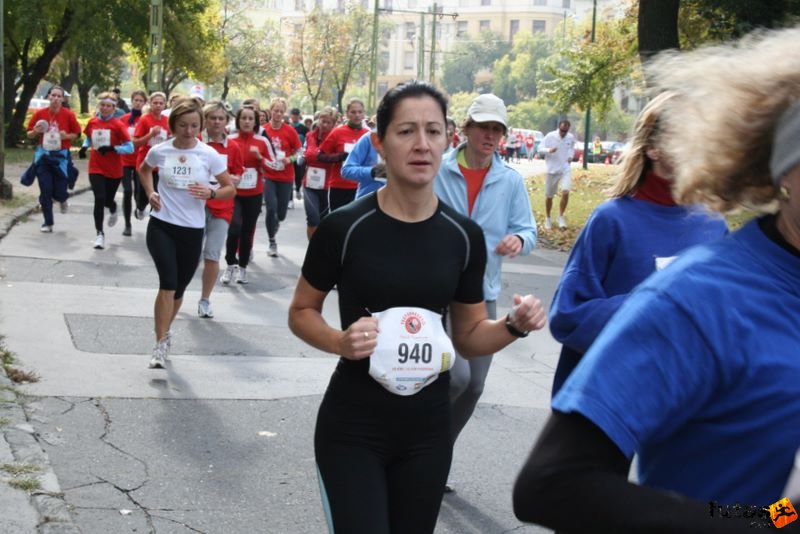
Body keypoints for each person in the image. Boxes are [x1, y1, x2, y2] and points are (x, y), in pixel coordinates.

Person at [513, 28, 800, 532]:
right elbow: (552, 484)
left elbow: (787, 514)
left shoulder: (707, 228)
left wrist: (779, 519)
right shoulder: (698, 298)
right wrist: (757, 523)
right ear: (786, 172)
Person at [288, 80, 546, 534]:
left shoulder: (462, 236)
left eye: (433, 131)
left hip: (428, 433)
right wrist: (338, 340)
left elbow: (468, 335)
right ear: (379, 143)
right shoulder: (344, 228)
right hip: (353, 428)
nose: (422, 144)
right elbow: (301, 310)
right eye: (406, 131)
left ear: (448, 138)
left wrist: (513, 325)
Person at [548, 92, 728, 396]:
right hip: (606, 398)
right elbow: (568, 316)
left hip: (680, 404)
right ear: (653, 149)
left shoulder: (712, 226)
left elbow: (725, 321)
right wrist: (647, 306)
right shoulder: (611, 220)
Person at [434, 93, 538, 492]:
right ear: (467, 129)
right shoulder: (441, 169)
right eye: (483, 127)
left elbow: (529, 230)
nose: (490, 135)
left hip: (481, 292)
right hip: (435, 289)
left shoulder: (509, 179)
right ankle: (423, 450)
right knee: (457, 377)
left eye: (497, 129)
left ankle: (437, 452)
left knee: (474, 385)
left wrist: (517, 240)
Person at [139, 99, 236, 368]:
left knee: (179, 287)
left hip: (192, 230)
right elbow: (144, 169)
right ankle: (159, 344)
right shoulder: (161, 150)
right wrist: (151, 192)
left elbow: (230, 188)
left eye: (194, 125)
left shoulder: (208, 155)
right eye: (183, 125)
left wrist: (212, 192)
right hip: (162, 224)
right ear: (173, 125)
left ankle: (165, 332)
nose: (189, 131)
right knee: (168, 282)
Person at [197, 101, 243, 319]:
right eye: (212, 118)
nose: (216, 122)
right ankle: (176, 291)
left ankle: (205, 299)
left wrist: (235, 179)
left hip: (222, 207)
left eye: (221, 118)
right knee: (191, 255)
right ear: (205, 120)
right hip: (194, 206)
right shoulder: (195, 142)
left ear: (227, 121)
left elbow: (238, 175)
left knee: (212, 255)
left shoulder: (233, 147)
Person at [223, 106, 273, 284]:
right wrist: (230, 175)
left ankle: (242, 267)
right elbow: (219, 163)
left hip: (254, 192)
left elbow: (276, 166)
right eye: (243, 118)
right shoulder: (229, 140)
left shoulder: (262, 141)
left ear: (255, 122)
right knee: (234, 227)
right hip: (233, 191)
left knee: (247, 231)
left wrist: (260, 158)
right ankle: (230, 264)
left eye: (250, 119)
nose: (246, 121)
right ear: (238, 120)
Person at [79, 91, 135, 249]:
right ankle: (99, 234)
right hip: (96, 166)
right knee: (99, 198)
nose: (104, 108)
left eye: (108, 106)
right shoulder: (93, 122)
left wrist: (112, 148)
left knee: (107, 199)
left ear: (113, 108)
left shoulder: (118, 125)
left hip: (114, 169)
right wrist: (84, 147)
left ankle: (113, 207)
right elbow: (88, 137)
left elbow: (130, 147)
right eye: (102, 105)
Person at [26, 85, 82, 232]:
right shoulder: (40, 114)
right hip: (43, 156)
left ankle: (62, 198)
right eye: (53, 95)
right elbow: (29, 134)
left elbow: (77, 133)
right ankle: (48, 223)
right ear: (48, 97)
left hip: (61, 156)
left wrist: (66, 136)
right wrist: (35, 132)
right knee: (45, 189)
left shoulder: (68, 115)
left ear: (63, 99)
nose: (56, 98)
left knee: (59, 190)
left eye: (59, 96)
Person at [261, 97, 302, 258]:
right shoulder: (263, 130)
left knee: (282, 213)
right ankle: (272, 241)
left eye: (281, 111)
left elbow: (299, 151)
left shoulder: (289, 131)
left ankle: (276, 223)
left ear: (284, 113)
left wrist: (289, 159)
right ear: (270, 111)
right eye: (275, 110)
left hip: (285, 176)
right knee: (271, 208)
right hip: (268, 175)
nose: (278, 114)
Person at [318, 98, 369, 211]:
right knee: (338, 224)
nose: (357, 115)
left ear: (364, 114)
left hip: (361, 186)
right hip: (339, 185)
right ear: (347, 114)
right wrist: (340, 156)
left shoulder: (368, 135)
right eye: (353, 112)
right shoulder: (337, 132)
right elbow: (321, 156)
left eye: (360, 112)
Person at [302, 106, 338, 240]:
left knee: (324, 221)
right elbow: (307, 155)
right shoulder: (310, 135)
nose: (324, 125)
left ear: (334, 124)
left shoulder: (335, 138)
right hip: (309, 182)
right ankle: (312, 249)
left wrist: (320, 156)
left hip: (327, 184)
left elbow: (336, 157)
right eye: (323, 121)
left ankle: (320, 250)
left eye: (329, 122)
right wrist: (320, 156)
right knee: (312, 218)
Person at [132, 91, 170, 219]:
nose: (158, 105)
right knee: (143, 194)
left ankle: (156, 218)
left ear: (165, 105)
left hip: (161, 165)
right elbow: (136, 143)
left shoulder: (168, 121)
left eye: (161, 103)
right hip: (145, 162)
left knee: (158, 193)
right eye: (155, 103)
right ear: (150, 104)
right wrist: (151, 134)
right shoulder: (145, 120)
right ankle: (141, 207)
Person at [119, 90, 148, 236]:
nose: (138, 103)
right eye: (135, 100)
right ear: (131, 101)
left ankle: (140, 207)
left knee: (139, 192)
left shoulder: (146, 119)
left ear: (145, 103)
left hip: (140, 160)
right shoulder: (124, 119)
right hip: (124, 160)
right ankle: (127, 224)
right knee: (127, 191)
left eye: (141, 100)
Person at [542, 119, 575, 229]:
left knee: (566, 191)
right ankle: (548, 218)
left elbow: (571, 148)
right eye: (561, 130)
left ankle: (560, 217)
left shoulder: (570, 137)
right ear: (558, 128)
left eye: (565, 131)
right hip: (552, 169)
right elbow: (539, 148)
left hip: (565, 168)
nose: (563, 133)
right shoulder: (550, 136)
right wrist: (548, 150)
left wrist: (570, 156)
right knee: (549, 196)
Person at [341, 126, 384, 199]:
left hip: (402, 202)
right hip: (370, 200)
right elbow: (346, 170)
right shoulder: (368, 138)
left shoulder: (407, 139)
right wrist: (373, 172)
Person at [290, 107, 309, 203]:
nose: (294, 117)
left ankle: (297, 188)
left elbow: (307, 140)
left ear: (299, 116)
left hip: (299, 153)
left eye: (296, 115)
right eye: (293, 114)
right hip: (289, 154)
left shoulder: (304, 128)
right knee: (289, 174)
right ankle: (289, 198)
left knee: (299, 173)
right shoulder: (288, 127)